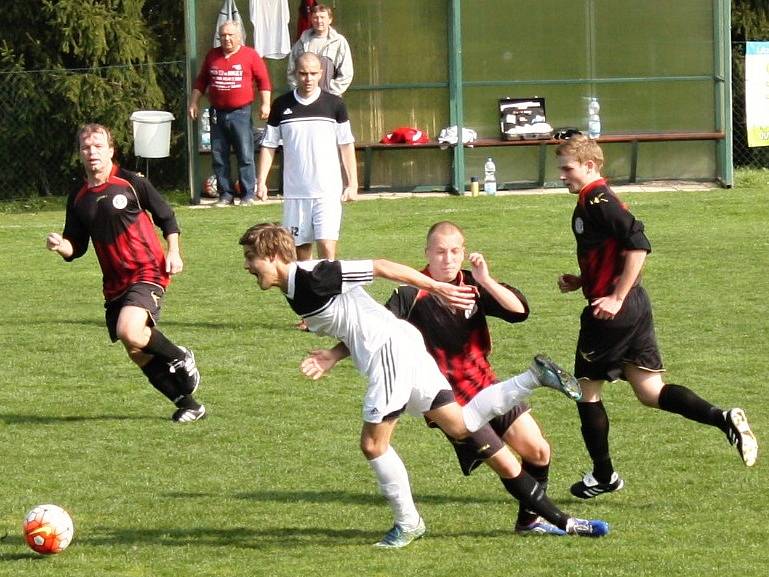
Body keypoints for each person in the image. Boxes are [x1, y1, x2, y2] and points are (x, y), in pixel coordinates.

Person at [240, 222, 608, 548]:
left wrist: (438, 288)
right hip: (405, 346)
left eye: (250, 257)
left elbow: (382, 267)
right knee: (463, 425)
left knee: (373, 445)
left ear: (272, 255)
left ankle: (408, 523)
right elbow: (356, 317)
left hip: (390, 355)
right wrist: (334, 355)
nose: (246, 265)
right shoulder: (295, 283)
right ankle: (534, 387)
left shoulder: (312, 276)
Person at [555, 134, 758, 499]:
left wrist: (614, 297)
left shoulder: (599, 200)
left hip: (612, 311)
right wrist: (583, 280)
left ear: (591, 165)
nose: (562, 176)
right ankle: (723, 418)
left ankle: (604, 476)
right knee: (651, 391)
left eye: (567, 168)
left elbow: (638, 245)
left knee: (586, 392)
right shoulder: (593, 200)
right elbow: (614, 252)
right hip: (634, 305)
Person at [45, 124, 205, 423]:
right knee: (136, 349)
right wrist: (61, 246)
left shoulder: (130, 182)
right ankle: (189, 404)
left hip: (147, 270)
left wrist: (173, 252)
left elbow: (166, 216)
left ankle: (180, 356)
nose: (92, 152)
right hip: (114, 284)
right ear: (80, 153)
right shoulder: (78, 196)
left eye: (97, 146)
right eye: (86, 147)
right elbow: (76, 246)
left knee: (129, 331)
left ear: (110, 150)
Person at [256, 52, 358, 262]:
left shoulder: (335, 105)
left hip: (327, 192)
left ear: (321, 73)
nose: (308, 79)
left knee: (327, 249)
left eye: (313, 73)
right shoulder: (281, 105)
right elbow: (269, 145)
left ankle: (328, 294)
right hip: (296, 193)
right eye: (303, 73)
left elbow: (346, 145)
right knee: (301, 254)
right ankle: (308, 295)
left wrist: (352, 183)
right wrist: (261, 182)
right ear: (295, 73)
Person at [189, 20, 272, 207]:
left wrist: (266, 104)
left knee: (245, 154)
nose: (226, 39)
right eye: (223, 35)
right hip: (217, 113)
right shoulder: (213, 55)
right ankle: (225, 194)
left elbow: (264, 81)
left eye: (230, 35)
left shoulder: (250, 55)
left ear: (239, 36)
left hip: (241, 113)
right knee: (219, 155)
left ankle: (247, 194)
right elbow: (201, 81)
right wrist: (193, 102)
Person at [287, 3, 353, 96]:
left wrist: (330, 90)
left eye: (322, 17)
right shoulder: (302, 42)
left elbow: (346, 73)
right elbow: (291, 69)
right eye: (315, 18)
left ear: (330, 20)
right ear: (311, 20)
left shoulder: (339, 42)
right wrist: (299, 90)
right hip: (305, 98)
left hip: (330, 98)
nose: (319, 21)